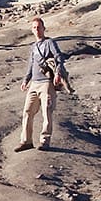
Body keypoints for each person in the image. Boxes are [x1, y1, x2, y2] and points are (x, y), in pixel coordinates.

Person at [16, 17, 72, 151]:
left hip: (46, 82)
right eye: (34, 28)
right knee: (27, 111)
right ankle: (26, 141)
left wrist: (58, 73)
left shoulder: (49, 43)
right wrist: (26, 80)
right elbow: (31, 65)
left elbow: (58, 57)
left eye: (39, 27)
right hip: (34, 83)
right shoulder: (33, 47)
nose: (37, 30)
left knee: (47, 112)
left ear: (44, 29)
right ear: (32, 30)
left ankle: (45, 141)